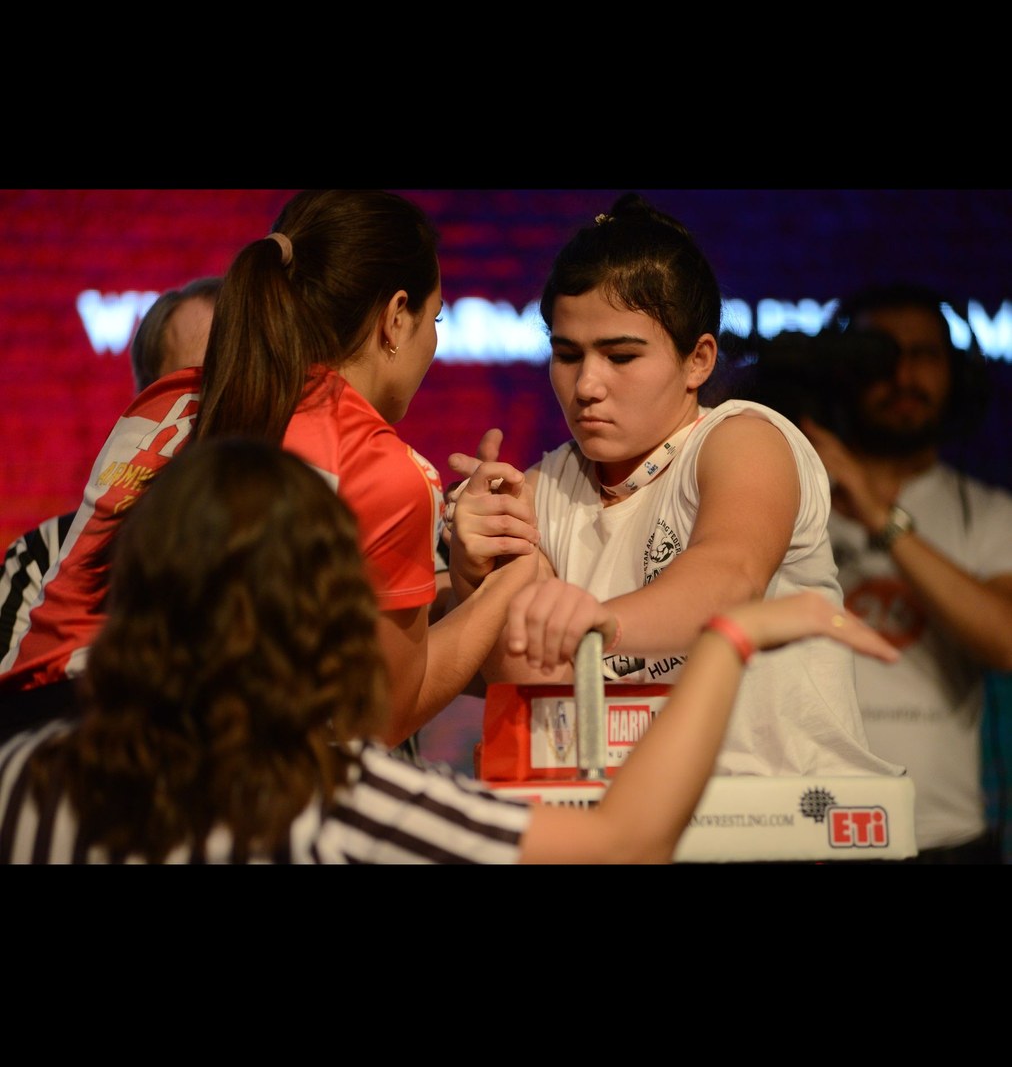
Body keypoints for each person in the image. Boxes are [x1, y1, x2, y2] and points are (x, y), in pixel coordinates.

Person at [0, 435, 900, 864]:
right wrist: (731, 639)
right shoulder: (332, 802)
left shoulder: (23, 775)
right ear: (320, 616)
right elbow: (627, 842)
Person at [0, 191, 534, 752]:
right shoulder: (386, 466)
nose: (434, 339)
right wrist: (511, 579)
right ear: (396, 318)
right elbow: (379, 721)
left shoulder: (162, 403)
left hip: (21, 752)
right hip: (149, 772)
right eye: (437, 317)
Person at [447, 192, 903, 780]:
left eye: (620, 356)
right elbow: (533, 688)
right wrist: (472, 570)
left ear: (699, 360)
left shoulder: (742, 439)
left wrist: (593, 622)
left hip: (783, 816)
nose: (587, 384)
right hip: (629, 824)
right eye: (567, 354)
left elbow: (730, 575)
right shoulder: (541, 488)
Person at [795, 283, 1012, 862]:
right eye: (881, 354)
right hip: (804, 824)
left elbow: (1007, 641)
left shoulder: (987, 512)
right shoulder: (790, 507)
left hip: (945, 836)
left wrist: (878, 516)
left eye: (924, 356)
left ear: (954, 373)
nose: (903, 374)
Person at [0, 277, 222, 728]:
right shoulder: (44, 556)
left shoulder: (307, 555)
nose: (221, 411)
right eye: (195, 388)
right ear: (147, 408)